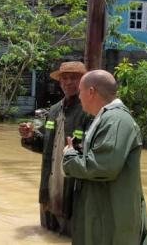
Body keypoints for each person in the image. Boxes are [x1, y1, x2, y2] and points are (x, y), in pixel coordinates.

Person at [63, 70, 147, 244]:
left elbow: (102, 166)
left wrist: (70, 156)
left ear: (91, 92)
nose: (79, 97)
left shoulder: (115, 120)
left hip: (111, 222)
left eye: (80, 91)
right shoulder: (106, 118)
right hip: (102, 216)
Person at [19, 61, 92, 236]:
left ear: (83, 81)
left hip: (72, 187)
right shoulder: (53, 110)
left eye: (73, 78)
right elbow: (45, 145)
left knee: (70, 235)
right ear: (59, 83)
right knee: (47, 233)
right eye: (64, 78)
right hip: (50, 184)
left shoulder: (88, 111)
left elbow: (93, 154)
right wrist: (30, 136)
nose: (68, 82)